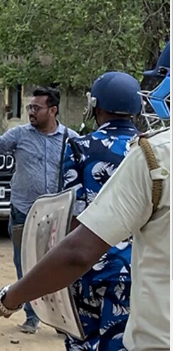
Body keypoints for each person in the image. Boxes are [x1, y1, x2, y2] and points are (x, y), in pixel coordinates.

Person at [0, 126, 170, 351]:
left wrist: (8, 299)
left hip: (99, 276)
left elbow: (78, 246)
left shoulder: (154, 154)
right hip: (127, 272)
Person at [0, 86, 78, 334]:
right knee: (24, 264)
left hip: (58, 215)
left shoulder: (71, 138)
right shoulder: (19, 135)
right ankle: (31, 315)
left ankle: (60, 318)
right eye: (29, 107)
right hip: (23, 212)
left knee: (59, 264)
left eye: (36, 108)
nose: (31, 112)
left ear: (53, 110)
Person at [56, 71, 142, 350]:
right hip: (142, 272)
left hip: (93, 270)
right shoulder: (154, 149)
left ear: (97, 107)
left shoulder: (80, 147)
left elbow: (72, 216)